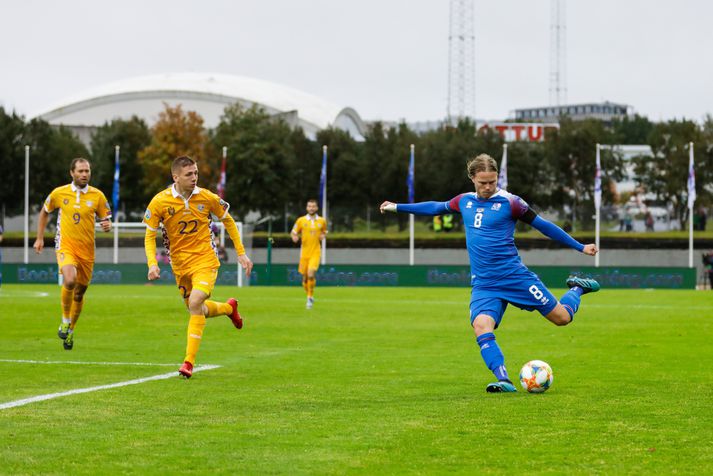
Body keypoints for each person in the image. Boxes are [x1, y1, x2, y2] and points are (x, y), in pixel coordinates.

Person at [380, 153, 600, 393]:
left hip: (515, 277)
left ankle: (578, 288)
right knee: (481, 325)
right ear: (472, 178)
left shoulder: (512, 202)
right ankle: (503, 379)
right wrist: (397, 207)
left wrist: (580, 246)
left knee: (562, 319)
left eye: (492, 182)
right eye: (482, 182)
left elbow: (544, 226)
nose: (487, 187)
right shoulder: (463, 201)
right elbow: (435, 207)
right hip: (484, 284)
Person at [143, 156, 253, 378]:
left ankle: (188, 363)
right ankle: (229, 309)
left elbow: (229, 221)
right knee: (197, 309)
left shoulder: (207, 197)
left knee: (195, 302)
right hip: (180, 266)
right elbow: (149, 235)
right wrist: (152, 264)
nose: (194, 178)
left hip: (205, 260)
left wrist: (241, 252)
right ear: (175, 177)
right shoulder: (159, 202)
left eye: (196, 173)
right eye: (189, 174)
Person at [33, 158, 112, 350]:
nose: (84, 174)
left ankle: (70, 331)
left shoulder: (98, 196)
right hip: (65, 246)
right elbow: (44, 212)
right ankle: (65, 320)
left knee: (79, 293)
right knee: (69, 280)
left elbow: (106, 219)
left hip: (87, 250)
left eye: (87, 171)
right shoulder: (59, 193)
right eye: (81, 171)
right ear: (72, 173)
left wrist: (107, 225)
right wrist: (40, 238)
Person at [291, 199, 327, 309]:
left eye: (313, 206)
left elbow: (324, 231)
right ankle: (309, 295)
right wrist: (295, 237)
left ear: (317, 208)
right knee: (305, 279)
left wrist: (323, 236)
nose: (311, 208)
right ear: (307, 208)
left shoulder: (322, 221)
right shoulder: (301, 220)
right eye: (309, 206)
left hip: (315, 252)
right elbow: (293, 232)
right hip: (304, 253)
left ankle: (309, 298)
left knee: (311, 274)